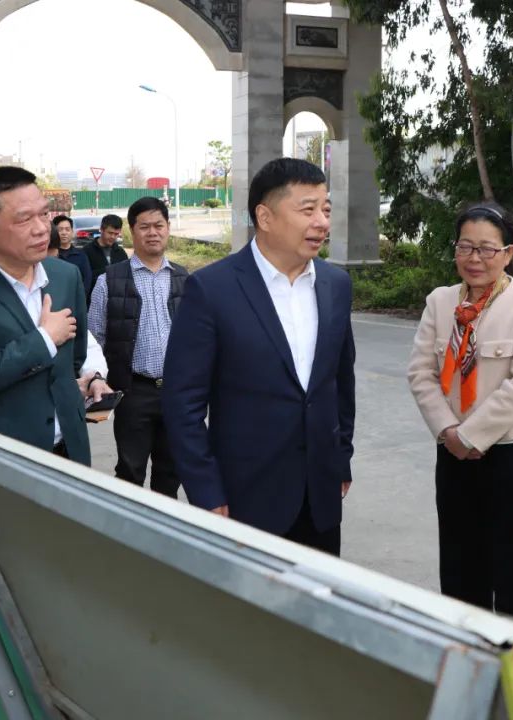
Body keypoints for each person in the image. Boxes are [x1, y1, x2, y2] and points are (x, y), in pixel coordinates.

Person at [162, 158, 356, 556]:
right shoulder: (211, 289)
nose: (322, 222)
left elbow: (339, 382)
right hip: (243, 498)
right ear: (265, 217)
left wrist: (341, 458)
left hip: (320, 495)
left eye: (326, 209)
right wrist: (206, 490)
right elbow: (183, 404)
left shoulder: (335, 285)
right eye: (308, 210)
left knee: (315, 596)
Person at [407, 202, 513, 622]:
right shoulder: (439, 303)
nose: (475, 258)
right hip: (453, 455)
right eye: (465, 247)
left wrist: (472, 436)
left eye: (487, 249)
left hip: (510, 458)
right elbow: (420, 373)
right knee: (458, 574)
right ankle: (462, 656)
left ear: (508, 253)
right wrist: (449, 432)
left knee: (512, 580)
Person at [0, 166, 113, 464]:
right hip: (3, 459)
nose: (42, 228)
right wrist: (45, 338)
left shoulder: (65, 276)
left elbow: (73, 359)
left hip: (70, 449)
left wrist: (86, 382)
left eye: (44, 214)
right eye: (24, 219)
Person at [86, 197, 188, 498]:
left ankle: (163, 524)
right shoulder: (109, 280)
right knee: (130, 470)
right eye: (144, 226)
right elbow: (95, 336)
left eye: (159, 225)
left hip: (177, 392)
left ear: (168, 228)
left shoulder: (185, 279)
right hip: (134, 392)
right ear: (132, 231)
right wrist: (99, 378)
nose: (153, 232)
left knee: (171, 471)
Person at [82, 213, 129, 298]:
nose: (113, 237)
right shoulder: (86, 251)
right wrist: (109, 271)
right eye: (110, 233)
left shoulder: (121, 252)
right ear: (101, 229)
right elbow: (85, 278)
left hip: (117, 300)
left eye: (116, 234)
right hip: (94, 299)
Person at [52, 214, 92, 296]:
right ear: (54, 232)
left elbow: (87, 279)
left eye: (67, 229)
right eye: (60, 230)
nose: (64, 233)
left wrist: (79, 297)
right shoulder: (50, 255)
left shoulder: (81, 255)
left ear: (72, 232)